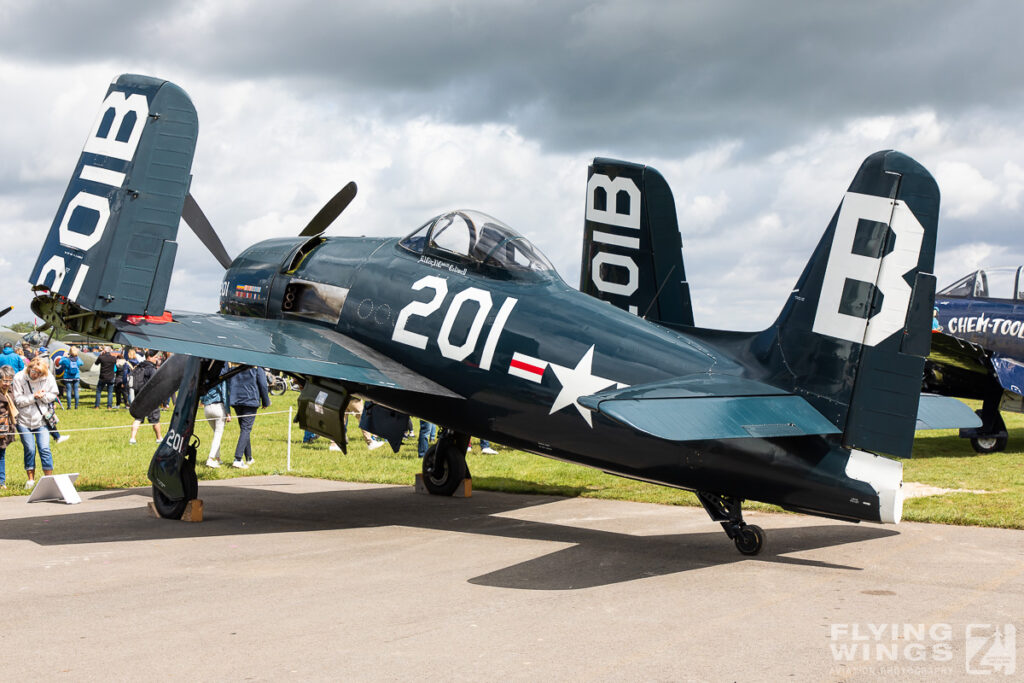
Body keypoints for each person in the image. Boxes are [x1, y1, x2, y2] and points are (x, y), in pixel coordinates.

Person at [13, 357, 59, 490]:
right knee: (30, 449)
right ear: (29, 368)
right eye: (34, 372)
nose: (36, 375)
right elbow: (18, 400)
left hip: (41, 419)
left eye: (39, 374)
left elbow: (54, 394)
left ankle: (48, 479)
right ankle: (30, 479)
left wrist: (43, 396)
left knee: (44, 448)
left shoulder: (48, 376)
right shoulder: (19, 377)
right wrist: (33, 397)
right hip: (24, 420)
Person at [228, 365, 270, 468]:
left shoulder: (233, 363)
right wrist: (266, 401)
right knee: (246, 429)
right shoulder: (256, 365)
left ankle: (249, 458)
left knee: (244, 429)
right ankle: (237, 459)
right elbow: (263, 384)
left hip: (236, 399)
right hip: (250, 399)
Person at [128, 350, 163, 444]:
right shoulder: (151, 369)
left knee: (138, 418)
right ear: (149, 357)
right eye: (155, 357)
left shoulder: (139, 366)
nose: (157, 359)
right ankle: (159, 438)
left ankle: (132, 438)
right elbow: (156, 382)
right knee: (155, 419)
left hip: (138, 395)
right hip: (150, 397)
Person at [201, 373, 230, 467]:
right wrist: (228, 412)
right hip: (218, 407)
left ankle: (218, 458)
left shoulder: (204, 378)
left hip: (207, 408)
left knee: (216, 434)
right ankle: (211, 458)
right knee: (218, 434)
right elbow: (225, 395)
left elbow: (201, 394)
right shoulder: (221, 377)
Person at [0, 366, 18, 489]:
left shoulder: (10, 391)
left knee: (1, 455)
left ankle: (1, 482)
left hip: (4, 428)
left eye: (9, 380)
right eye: (5, 381)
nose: (7, 383)